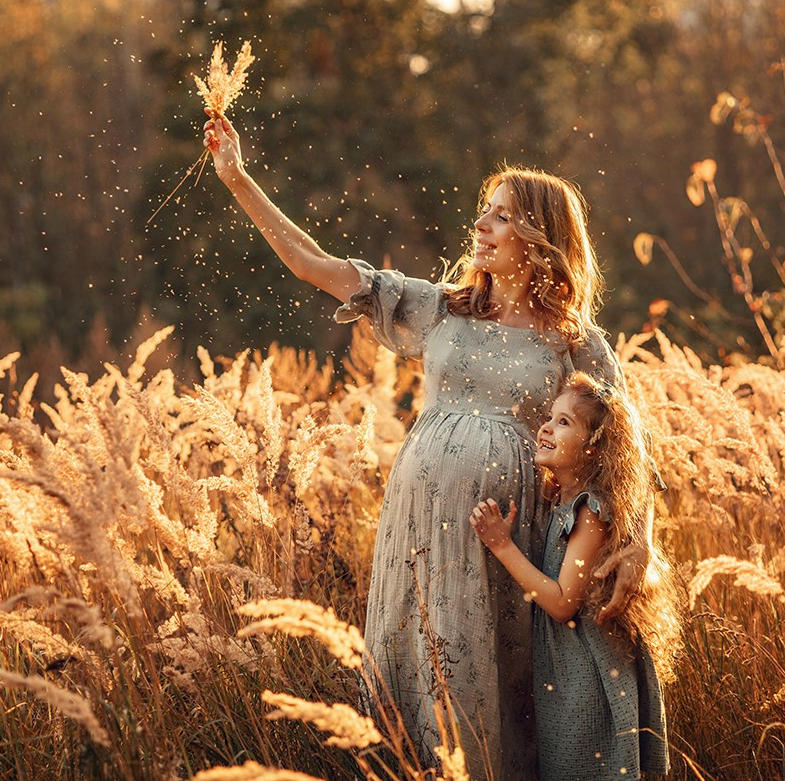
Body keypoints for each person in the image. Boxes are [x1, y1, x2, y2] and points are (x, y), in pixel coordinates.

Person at [203, 111, 655, 780]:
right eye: (483, 211)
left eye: (500, 216)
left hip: (510, 541)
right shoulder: (439, 307)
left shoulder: (573, 342)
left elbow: (628, 453)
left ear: (538, 237)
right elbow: (312, 266)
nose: (481, 226)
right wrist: (237, 178)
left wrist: (638, 542)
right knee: (418, 675)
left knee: (498, 693)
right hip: (418, 531)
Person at [470, 372, 679, 781]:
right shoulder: (563, 501)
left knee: (582, 766)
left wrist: (502, 545)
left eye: (565, 422)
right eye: (550, 417)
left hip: (586, 671)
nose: (546, 426)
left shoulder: (589, 510)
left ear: (595, 448)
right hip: (566, 665)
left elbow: (564, 601)